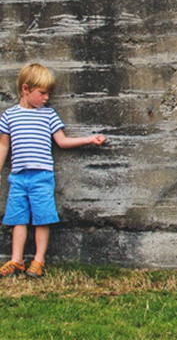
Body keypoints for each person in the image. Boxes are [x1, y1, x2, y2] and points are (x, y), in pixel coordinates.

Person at [0, 63, 105, 279]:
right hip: (18, 177)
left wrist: (89, 139)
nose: (46, 98)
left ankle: (38, 260)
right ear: (26, 89)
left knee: (41, 218)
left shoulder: (48, 115)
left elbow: (62, 141)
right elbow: (3, 146)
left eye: (48, 94)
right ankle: (16, 260)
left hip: (42, 177)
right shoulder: (9, 116)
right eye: (43, 93)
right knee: (17, 219)